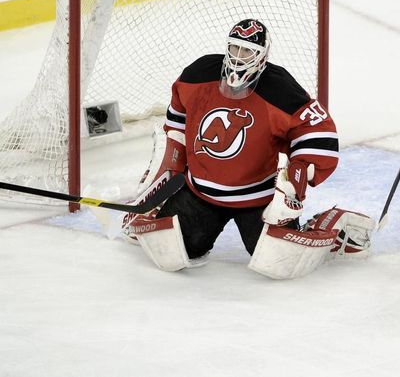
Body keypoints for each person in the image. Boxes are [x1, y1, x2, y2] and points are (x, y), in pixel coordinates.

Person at [128, 18, 375, 278]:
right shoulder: (198, 75)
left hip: (257, 199)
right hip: (200, 193)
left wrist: (298, 173)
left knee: (280, 263)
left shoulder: (279, 89)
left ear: (262, 55)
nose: (238, 57)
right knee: (168, 254)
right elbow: (177, 125)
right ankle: (159, 211)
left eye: (247, 51)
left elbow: (317, 129)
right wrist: (166, 175)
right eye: (234, 48)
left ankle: (332, 224)